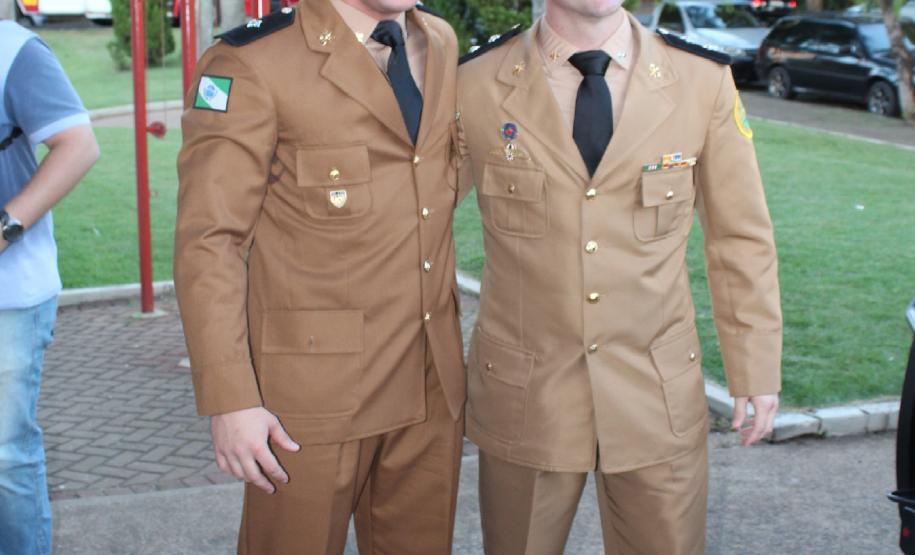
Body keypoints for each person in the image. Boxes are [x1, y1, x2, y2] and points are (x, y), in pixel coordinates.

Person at [455, 0, 782, 552]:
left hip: (656, 395)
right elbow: (416, 218)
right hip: (527, 396)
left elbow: (739, 236)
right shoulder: (476, 81)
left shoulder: (701, 79)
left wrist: (754, 364)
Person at [174, 0, 465, 553]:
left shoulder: (438, 41)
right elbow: (210, 241)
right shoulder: (251, 62)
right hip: (310, 399)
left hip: (430, 377)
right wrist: (231, 399)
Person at [0, 20, 99, 555]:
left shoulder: (13, 49)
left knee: (4, 456)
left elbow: (78, 146)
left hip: (8, 299)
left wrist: (3, 229)